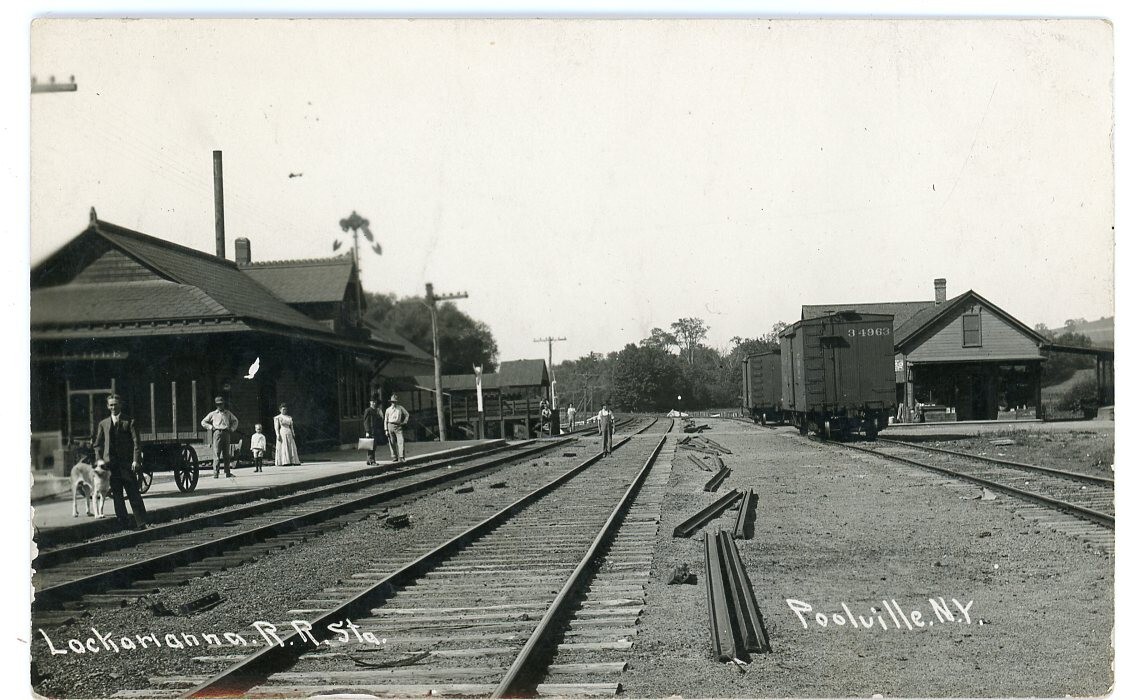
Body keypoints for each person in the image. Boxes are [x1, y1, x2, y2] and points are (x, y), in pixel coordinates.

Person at [91, 394, 148, 530]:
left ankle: (141, 522)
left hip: (127, 464)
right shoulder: (103, 423)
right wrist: (99, 460)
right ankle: (123, 523)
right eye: (111, 405)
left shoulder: (129, 421)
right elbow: (97, 444)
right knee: (117, 494)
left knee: (133, 492)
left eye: (115, 404)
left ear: (120, 405)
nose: (113, 407)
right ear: (107, 406)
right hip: (111, 466)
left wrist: (136, 460)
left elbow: (136, 443)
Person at [201, 396, 239, 478]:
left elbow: (235, 421)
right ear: (216, 405)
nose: (220, 406)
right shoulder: (213, 414)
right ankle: (216, 472)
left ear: (223, 404)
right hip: (217, 433)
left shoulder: (228, 413)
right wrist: (211, 427)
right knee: (216, 453)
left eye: (221, 404)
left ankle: (227, 472)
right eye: (218, 404)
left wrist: (232, 429)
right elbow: (203, 422)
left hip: (226, 433)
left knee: (226, 454)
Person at [384, 394, 410, 463]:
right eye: (392, 402)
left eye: (395, 402)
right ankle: (394, 457)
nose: (394, 403)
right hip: (390, 425)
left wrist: (405, 422)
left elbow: (407, 414)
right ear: (390, 402)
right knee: (391, 442)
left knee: (401, 440)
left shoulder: (400, 408)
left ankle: (401, 457)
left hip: (398, 426)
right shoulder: (388, 410)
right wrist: (386, 429)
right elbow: (385, 420)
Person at [362, 397, 383, 465]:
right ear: (370, 402)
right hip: (370, 431)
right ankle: (372, 460)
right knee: (371, 446)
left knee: (373, 446)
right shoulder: (368, 410)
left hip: (375, 430)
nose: (374, 403)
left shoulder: (376, 410)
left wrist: (380, 414)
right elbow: (366, 421)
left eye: (375, 402)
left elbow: (379, 420)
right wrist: (367, 431)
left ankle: (369, 460)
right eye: (372, 402)